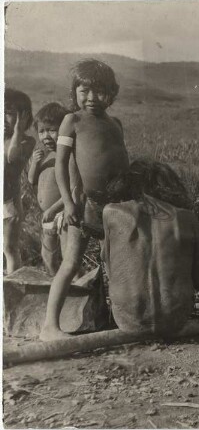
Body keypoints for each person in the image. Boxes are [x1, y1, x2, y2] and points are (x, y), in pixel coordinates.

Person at [40, 59, 129, 341]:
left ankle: (121, 316)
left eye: (99, 91)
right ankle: (49, 326)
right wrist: (67, 203)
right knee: (71, 263)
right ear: (75, 91)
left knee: (116, 262)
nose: (91, 98)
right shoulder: (72, 120)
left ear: (111, 93)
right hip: (82, 204)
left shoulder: (115, 124)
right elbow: (61, 164)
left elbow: (120, 163)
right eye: (84, 91)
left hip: (114, 206)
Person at [101, 159, 199, 336]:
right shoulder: (187, 217)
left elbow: (110, 269)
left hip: (129, 321)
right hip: (175, 320)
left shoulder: (111, 212)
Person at [27, 102, 70, 275]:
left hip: (62, 213)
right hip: (48, 215)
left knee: (68, 258)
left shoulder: (66, 156)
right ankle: (54, 285)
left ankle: (75, 289)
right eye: (41, 131)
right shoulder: (43, 156)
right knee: (48, 256)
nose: (46, 136)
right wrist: (35, 164)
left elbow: (73, 189)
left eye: (51, 130)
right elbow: (31, 180)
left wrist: (53, 209)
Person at [4, 88, 36, 274]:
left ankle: (12, 289)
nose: (4, 119)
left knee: (10, 248)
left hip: (9, 205)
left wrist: (17, 131)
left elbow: (12, 158)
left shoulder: (26, 141)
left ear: (24, 117)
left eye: (9, 113)